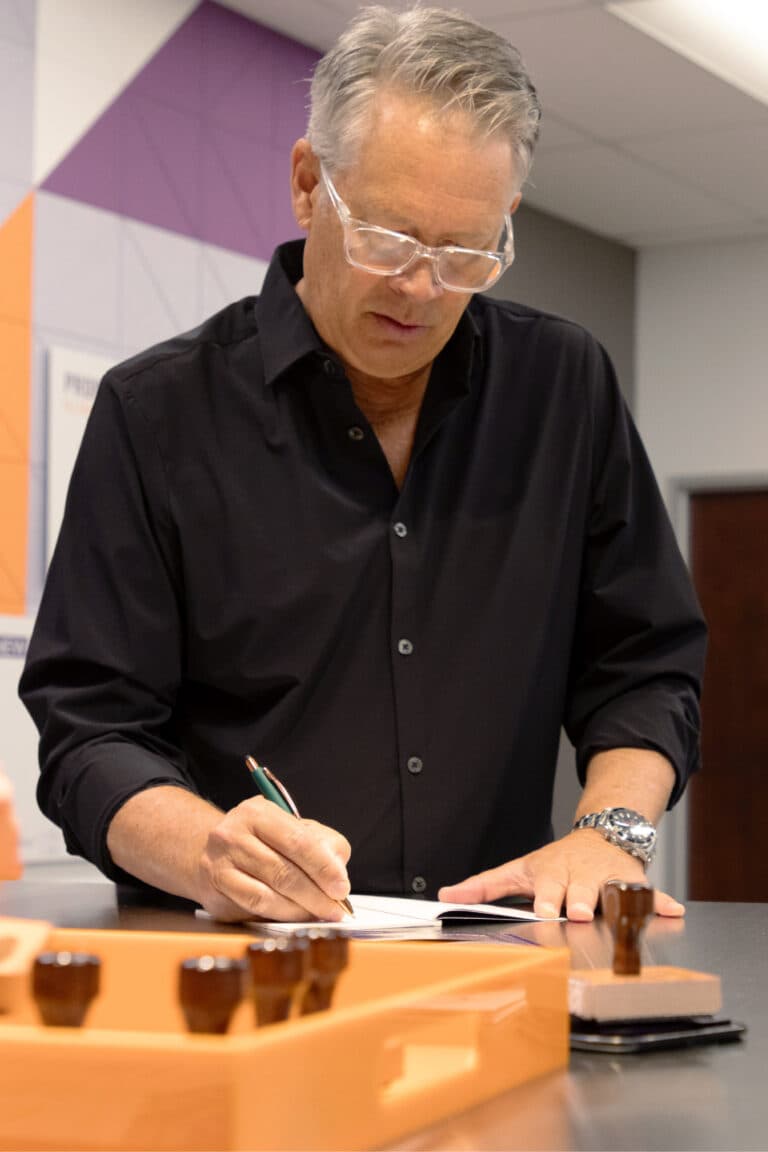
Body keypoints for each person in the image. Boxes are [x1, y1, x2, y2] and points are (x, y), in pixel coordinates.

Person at [20, 5, 706, 924]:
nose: (421, 288)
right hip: (242, 965)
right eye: (388, 239)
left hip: (487, 958)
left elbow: (646, 663)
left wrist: (610, 833)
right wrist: (206, 848)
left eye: (466, 254)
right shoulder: (157, 414)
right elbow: (89, 733)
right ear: (310, 186)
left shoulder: (562, 386)